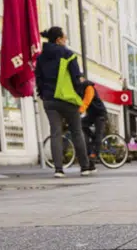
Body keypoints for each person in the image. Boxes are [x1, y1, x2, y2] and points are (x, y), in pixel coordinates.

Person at [34, 26, 94, 179]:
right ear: (59, 39)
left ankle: (58, 170)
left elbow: (38, 79)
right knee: (76, 132)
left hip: (49, 100)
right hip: (67, 99)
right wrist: (82, 90)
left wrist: (44, 95)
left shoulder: (40, 58)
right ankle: (85, 167)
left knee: (55, 133)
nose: (66, 40)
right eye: (65, 38)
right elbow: (76, 78)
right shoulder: (68, 54)